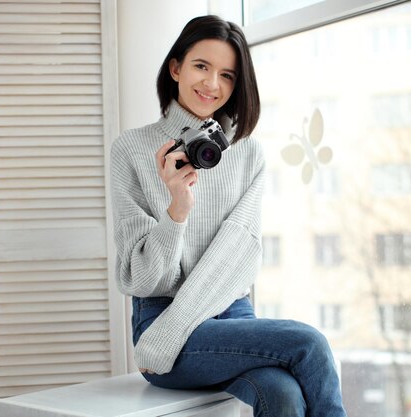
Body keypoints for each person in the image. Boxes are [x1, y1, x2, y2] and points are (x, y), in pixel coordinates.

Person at [110, 15, 347, 417]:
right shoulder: (131, 150)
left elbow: (239, 258)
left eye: (228, 75)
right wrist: (177, 211)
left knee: (283, 395)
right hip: (164, 323)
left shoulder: (247, 153)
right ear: (176, 68)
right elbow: (145, 279)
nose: (212, 85)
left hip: (222, 321)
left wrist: (166, 337)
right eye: (201, 66)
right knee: (309, 343)